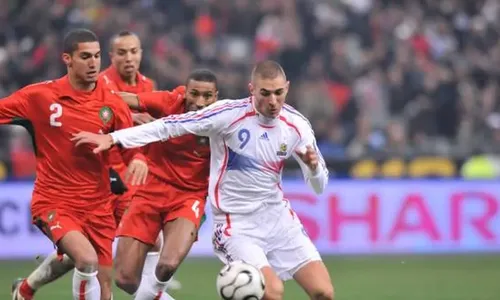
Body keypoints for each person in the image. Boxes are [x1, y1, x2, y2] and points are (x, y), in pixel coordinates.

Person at [72, 60, 334, 300]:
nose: (273, 101)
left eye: (279, 92)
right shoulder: (228, 115)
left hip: (279, 220)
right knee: (272, 292)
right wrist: (114, 138)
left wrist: (312, 169)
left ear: (287, 88)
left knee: (324, 292)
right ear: (251, 89)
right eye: (265, 93)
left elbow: (319, 187)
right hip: (236, 225)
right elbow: (170, 125)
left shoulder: (297, 125)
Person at [6, 28, 148, 300]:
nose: (93, 63)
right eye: (85, 57)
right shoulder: (39, 97)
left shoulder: (112, 104)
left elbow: (129, 145)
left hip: (99, 208)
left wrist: (139, 158)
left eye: (96, 56)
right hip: (55, 201)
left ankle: (24, 291)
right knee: (85, 259)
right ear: (67, 59)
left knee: (105, 293)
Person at [111, 69, 217, 299]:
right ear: (185, 92)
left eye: (207, 96)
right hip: (150, 191)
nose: (199, 102)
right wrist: (131, 115)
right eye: (194, 94)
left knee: (167, 265)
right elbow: (119, 98)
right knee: (125, 279)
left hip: (189, 198)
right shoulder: (169, 102)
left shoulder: (223, 119)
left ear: (216, 97)